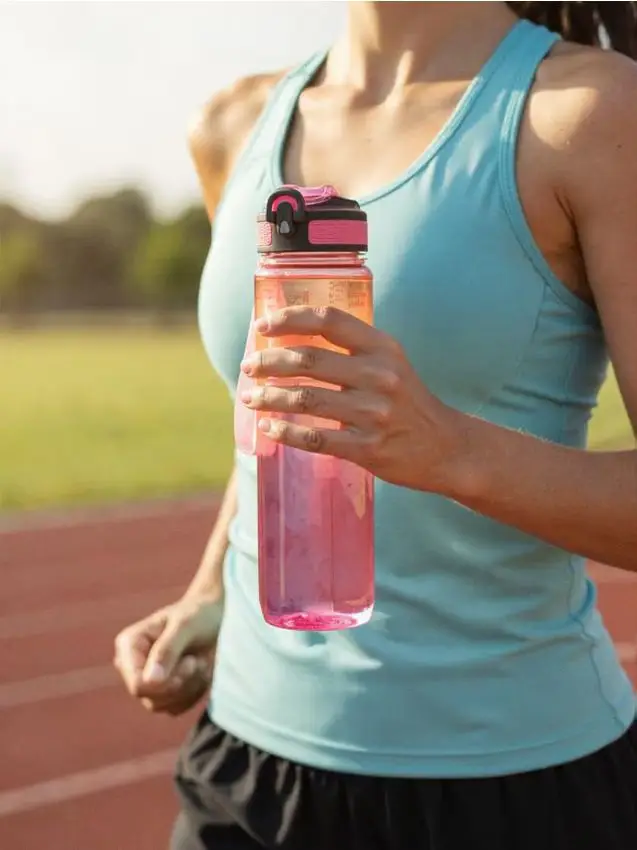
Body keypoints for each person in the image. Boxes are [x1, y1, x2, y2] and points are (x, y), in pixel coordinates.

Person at [114, 3, 637, 848]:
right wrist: (210, 588)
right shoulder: (233, 123)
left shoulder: (589, 114)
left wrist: (452, 450)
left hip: (509, 788)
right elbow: (282, 409)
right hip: (242, 769)